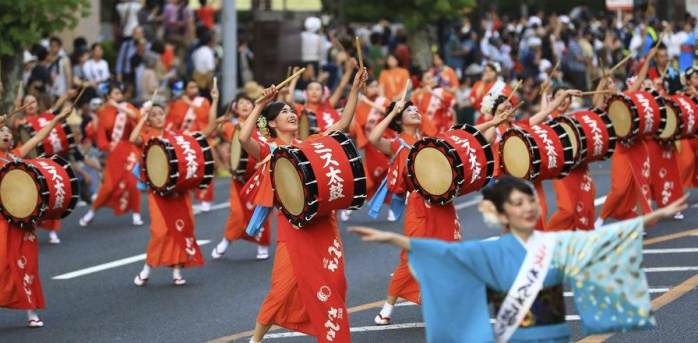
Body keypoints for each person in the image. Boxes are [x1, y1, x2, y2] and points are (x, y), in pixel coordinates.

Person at [351, 176, 688, 342]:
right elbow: (445, 254)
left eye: (530, 201)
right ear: (500, 213)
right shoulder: (492, 249)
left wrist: (648, 218)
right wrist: (395, 238)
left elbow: (600, 239)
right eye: (517, 203)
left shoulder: (553, 242)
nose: (528, 208)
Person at [242, 64, 366, 343]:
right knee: (282, 289)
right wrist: (260, 104)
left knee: (334, 282)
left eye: (291, 111)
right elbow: (242, 137)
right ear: (272, 123)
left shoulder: (310, 145)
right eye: (284, 112)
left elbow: (342, 125)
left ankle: (330, 335)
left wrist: (355, 89)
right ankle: (255, 340)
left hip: (323, 223)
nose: (290, 114)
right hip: (292, 227)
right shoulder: (270, 151)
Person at [366, 96, 510, 326]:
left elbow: (465, 137)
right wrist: (392, 112)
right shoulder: (397, 144)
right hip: (419, 206)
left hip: (443, 204)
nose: (414, 111)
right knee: (412, 256)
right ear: (399, 119)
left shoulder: (430, 141)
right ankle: (387, 308)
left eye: (415, 109)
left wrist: (493, 122)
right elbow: (373, 138)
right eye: (408, 110)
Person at [129, 81, 218, 286]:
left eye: (161, 114)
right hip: (158, 193)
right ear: (148, 120)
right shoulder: (146, 137)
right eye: (154, 115)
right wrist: (142, 118)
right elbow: (133, 138)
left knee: (184, 228)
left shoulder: (176, 137)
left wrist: (215, 99)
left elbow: (209, 129)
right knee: (160, 231)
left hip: (179, 191)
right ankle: (147, 267)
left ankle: (177, 271)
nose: (159, 117)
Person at [0, 106, 72, 328]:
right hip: (2, 223)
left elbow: (39, 137)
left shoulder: (16, 155)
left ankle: (31, 311)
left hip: (23, 221)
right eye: (1, 132)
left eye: (8, 133)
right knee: (3, 266)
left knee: (27, 265)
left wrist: (56, 120)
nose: (6, 135)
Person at [597, 44, 659, 228]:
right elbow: (595, 101)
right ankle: (601, 218)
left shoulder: (626, 97)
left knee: (641, 186)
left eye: (612, 83)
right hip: (621, 149)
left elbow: (640, 78)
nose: (612, 86)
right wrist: (602, 82)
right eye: (608, 85)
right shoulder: (605, 106)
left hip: (638, 145)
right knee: (620, 188)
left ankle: (640, 223)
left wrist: (648, 58)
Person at [211, 94, 272, 260]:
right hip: (239, 178)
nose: (245, 105)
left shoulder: (261, 124)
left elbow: (272, 142)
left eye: (249, 103)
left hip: (260, 176)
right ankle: (227, 240)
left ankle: (262, 244)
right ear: (235, 108)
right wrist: (217, 106)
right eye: (241, 103)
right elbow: (212, 129)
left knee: (261, 212)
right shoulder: (232, 126)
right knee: (237, 213)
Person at [79, 82, 143, 227]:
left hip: (129, 147)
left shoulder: (127, 107)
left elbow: (137, 116)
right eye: (115, 93)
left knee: (133, 181)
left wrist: (118, 106)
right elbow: (100, 134)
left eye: (120, 93)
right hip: (114, 151)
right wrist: (106, 146)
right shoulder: (103, 112)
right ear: (108, 96)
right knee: (108, 186)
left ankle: (136, 214)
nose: (119, 96)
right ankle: (92, 211)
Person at [166, 80, 214, 210]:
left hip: (199, 139)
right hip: (183, 141)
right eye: (191, 87)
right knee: (184, 169)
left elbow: (204, 116)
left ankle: (205, 199)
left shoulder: (203, 101)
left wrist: (189, 103)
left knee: (204, 168)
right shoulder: (177, 104)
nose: (194, 89)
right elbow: (171, 122)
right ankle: (186, 199)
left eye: (196, 86)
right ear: (185, 90)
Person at [286, 60, 354, 133]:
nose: (314, 92)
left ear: (323, 93)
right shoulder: (302, 110)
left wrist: (349, 70)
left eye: (317, 89)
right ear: (305, 93)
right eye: (311, 89)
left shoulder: (328, 105)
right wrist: (295, 79)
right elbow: (289, 100)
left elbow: (341, 87)